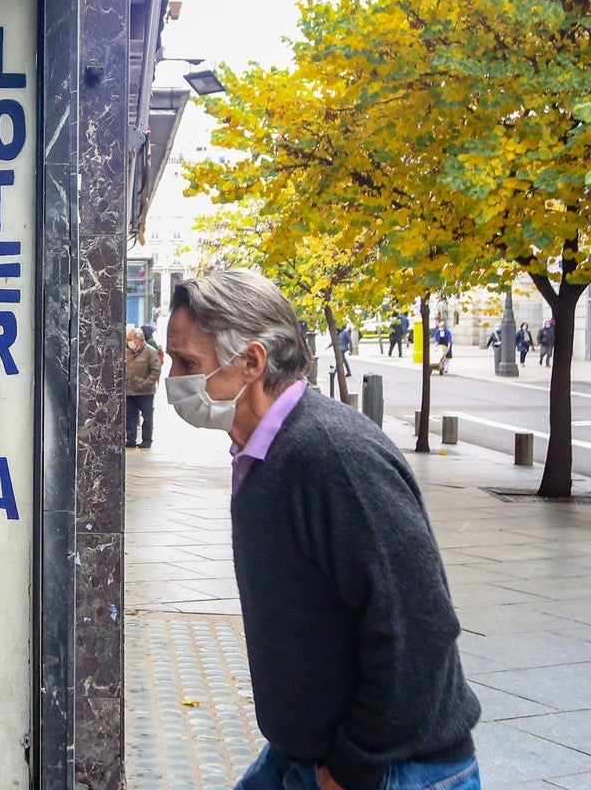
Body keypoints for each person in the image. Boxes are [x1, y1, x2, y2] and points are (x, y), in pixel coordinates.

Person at [163, 271, 481, 790]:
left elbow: (419, 630)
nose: (171, 378)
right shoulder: (265, 452)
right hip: (306, 754)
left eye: (188, 364)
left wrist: (353, 765)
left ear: (251, 361)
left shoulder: (331, 455)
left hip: (390, 769)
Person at [125, 327, 162, 449]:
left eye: (131, 339)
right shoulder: (127, 352)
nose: (128, 341)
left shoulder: (150, 352)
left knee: (147, 416)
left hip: (145, 392)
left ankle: (146, 440)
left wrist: (146, 383)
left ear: (139, 340)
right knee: (130, 417)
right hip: (130, 391)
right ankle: (130, 439)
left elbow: (156, 370)